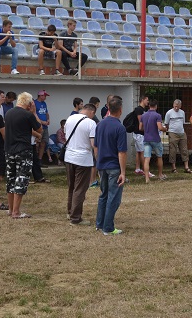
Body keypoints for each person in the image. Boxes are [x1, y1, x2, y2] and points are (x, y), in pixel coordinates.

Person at [4, 92, 42, 219]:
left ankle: (11, 209)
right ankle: (16, 212)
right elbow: (39, 129)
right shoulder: (28, 114)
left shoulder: (9, 113)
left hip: (9, 149)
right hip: (23, 150)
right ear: (29, 103)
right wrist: (34, 113)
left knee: (11, 178)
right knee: (21, 179)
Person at [94, 96, 128, 235]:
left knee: (104, 195)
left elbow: (96, 147)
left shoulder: (100, 124)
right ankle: (108, 227)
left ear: (108, 108)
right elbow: (122, 152)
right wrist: (123, 172)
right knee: (113, 197)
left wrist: (98, 163)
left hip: (102, 165)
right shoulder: (120, 127)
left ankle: (100, 223)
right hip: (114, 166)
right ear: (120, 110)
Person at [64, 103, 97, 225]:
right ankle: (76, 217)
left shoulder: (70, 118)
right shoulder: (91, 123)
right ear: (92, 112)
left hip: (69, 157)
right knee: (80, 189)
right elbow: (93, 144)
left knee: (72, 187)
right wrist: (97, 158)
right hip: (83, 159)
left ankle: (70, 212)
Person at [140, 99, 167, 183]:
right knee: (159, 156)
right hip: (155, 139)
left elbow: (140, 128)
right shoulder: (157, 115)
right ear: (156, 106)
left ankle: (147, 178)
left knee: (147, 158)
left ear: (149, 105)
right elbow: (160, 127)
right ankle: (160, 175)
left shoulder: (143, 115)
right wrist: (165, 129)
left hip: (146, 139)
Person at [164, 99, 192, 174]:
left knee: (184, 149)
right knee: (173, 150)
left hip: (181, 132)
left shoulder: (182, 112)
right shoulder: (169, 113)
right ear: (173, 105)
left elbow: (183, 123)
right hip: (173, 132)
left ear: (180, 106)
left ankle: (186, 167)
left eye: (178, 106)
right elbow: (166, 123)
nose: (176, 108)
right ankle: (174, 168)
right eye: (175, 106)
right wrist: (169, 131)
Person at [32, 90, 51, 183]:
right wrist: (42, 122)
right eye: (44, 96)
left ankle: (40, 159)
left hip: (45, 127)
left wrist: (48, 119)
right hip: (38, 126)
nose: (45, 97)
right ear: (40, 95)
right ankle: (35, 160)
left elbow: (46, 113)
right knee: (37, 142)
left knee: (44, 142)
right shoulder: (35, 103)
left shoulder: (44, 103)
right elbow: (34, 114)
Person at [132, 95, 151, 177]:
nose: (148, 102)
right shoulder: (139, 110)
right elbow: (141, 121)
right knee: (143, 151)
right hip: (139, 133)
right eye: (147, 100)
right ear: (142, 100)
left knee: (139, 151)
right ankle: (145, 170)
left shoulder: (143, 110)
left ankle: (138, 168)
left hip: (140, 133)